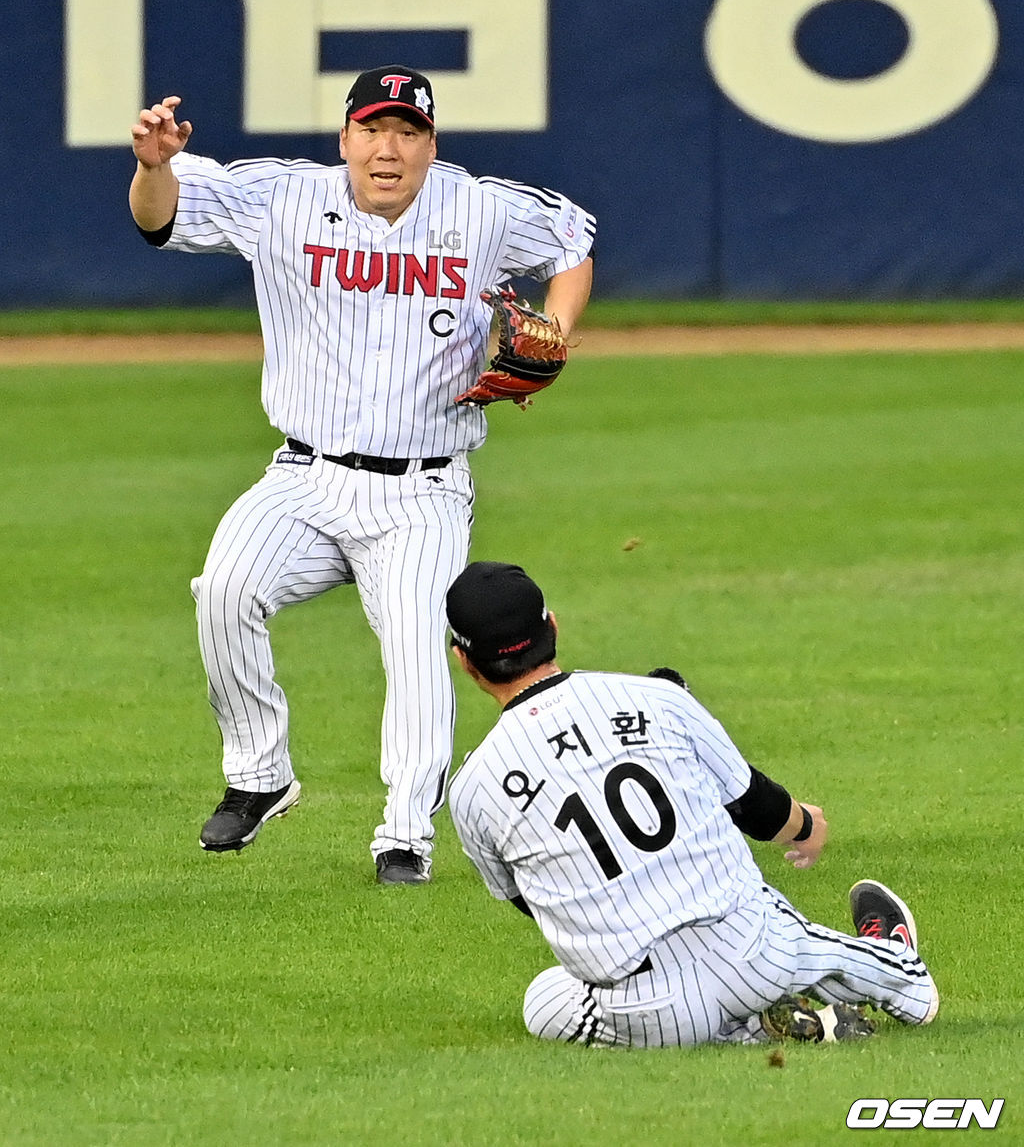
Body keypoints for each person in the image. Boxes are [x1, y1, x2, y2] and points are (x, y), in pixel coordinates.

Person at [129, 67, 594, 884]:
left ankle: (405, 836)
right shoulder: (282, 198)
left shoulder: (478, 208)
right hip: (302, 477)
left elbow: (571, 241)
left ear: (430, 146)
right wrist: (154, 165)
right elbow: (159, 220)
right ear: (345, 140)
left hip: (422, 488)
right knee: (224, 588)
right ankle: (259, 774)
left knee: (418, 647)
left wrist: (554, 323)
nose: (389, 148)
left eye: (408, 132)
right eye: (373, 131)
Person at [445, 561, 940, 1047]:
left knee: (545, 999)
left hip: (649, 1010)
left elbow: (533, 901)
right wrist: (806, 826)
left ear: (465, 661)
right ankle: (891, 967)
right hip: (753, 953)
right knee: (828, 956)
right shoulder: (656, 697)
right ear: (553, 626)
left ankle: (741, 1033)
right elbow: (754, 806)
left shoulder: (471, 789)